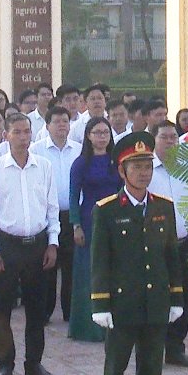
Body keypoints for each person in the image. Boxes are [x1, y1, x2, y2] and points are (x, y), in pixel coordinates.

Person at [90, 132, 181, 375]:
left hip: (154, 301)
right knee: (115, 368)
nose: (144, 172)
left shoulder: (163, 208)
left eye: (148, 166)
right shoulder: (108, 209)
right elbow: (99, 259)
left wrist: (176, 297)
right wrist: (100, 303)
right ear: (122, 171)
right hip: (121, 303)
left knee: (151, 366)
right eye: (137, 166)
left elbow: (171, 256)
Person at [0, 113, 60, 375]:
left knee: (36, 309)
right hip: (7, 245)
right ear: (6, 136)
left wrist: (53, 242)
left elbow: (52, 209)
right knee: (2, 308)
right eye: (17, 132)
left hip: (37, 245)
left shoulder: (44, 167)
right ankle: (5, 362)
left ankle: (34, 362)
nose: (23, 137)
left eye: (27, 132)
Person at [148, 121, 188, 368]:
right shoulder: (145, 169)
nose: (170, 141)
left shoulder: (187, 170)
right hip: (156, 245)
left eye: (173, 137)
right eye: (164, 137)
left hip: (185, 241)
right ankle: (154, 347)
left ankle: (176, 347)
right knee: (159, 296)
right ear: (154, 140)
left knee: (184, 294)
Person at [68, 116, 120, 342]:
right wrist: (76, 224)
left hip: (115, 220)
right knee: (89, 272)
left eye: (105, 133)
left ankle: (113, 322)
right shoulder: (81, 163)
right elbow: (73, 196)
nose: (101, 137)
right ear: (88, 136)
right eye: (97, 133)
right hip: (89, 220)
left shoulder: (116, 162)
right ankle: (86, 326)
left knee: (112, 270)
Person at [31, 106, 81, 323]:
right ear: (47, 125)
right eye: (57, 121)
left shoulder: (79, 150)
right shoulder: (36, 151)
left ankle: (71, 311)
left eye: (65, 121)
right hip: (46, 216)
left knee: (71, 265)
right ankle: (45, 310)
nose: (62, 125)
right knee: (47, 266)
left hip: (72, 216)